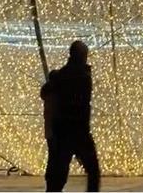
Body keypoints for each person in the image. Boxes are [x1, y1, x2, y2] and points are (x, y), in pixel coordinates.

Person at [41, 40, 100, 192]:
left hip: (63, 131)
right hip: (77, 130)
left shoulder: (62, 75)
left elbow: (46, 92)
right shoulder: (82, 76)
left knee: (58, 172)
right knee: (92, 170)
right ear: (81, 56)